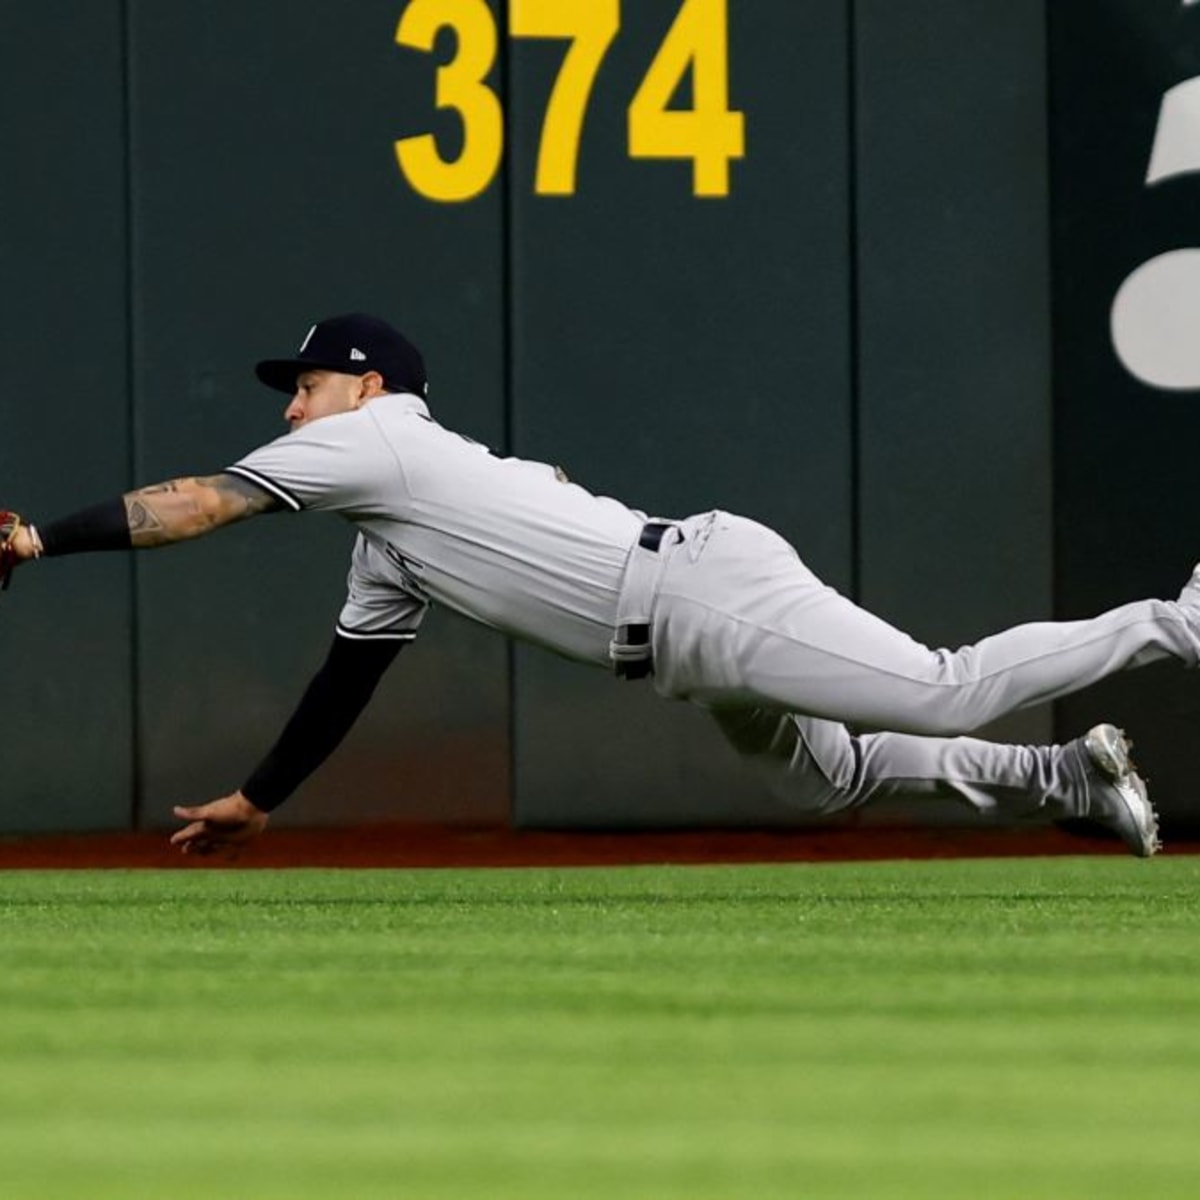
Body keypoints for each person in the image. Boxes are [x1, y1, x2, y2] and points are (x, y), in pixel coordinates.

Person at [1, 313, 1189, 858]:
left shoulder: (371, 440)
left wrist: (43, 543)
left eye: (303, 384)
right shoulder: (390, 523)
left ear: (363, 389)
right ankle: (1063, 775)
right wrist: (262, 798)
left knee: (939, 689)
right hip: (685, 618)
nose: (288, 406)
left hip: (694, 599)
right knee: (828, 780)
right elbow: (345, 680)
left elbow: (201, 502)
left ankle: (1176, 621)